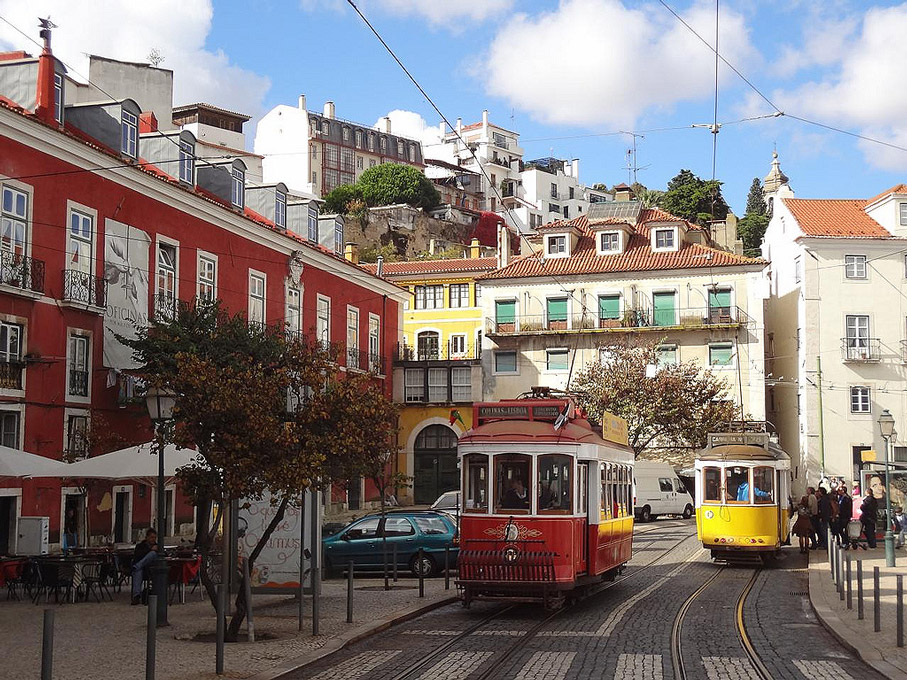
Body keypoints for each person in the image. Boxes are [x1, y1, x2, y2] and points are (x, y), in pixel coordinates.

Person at [131, 528, 160, 605]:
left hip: (152, 570)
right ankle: (136, 596)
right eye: (151, 537)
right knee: (138, 571)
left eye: (154, 537)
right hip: (143, 570)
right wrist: (150, 549)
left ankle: (137, 566)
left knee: (153, 554)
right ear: (147, 537)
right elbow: (137, 555)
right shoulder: (140, 546)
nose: (153, 539)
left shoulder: (157, 547)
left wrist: (155, 550)